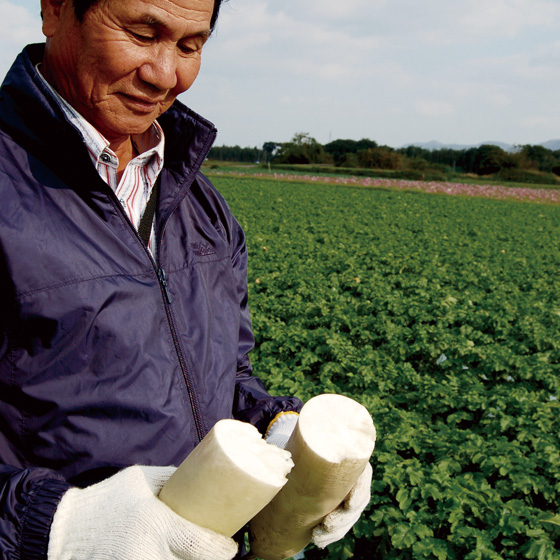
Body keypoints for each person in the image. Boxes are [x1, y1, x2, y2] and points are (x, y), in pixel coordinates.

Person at [0, 0, 372, 558]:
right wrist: (57, 526)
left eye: (189, 45)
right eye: (142, 33)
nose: (165, 74)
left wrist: (280, 433)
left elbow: (224, 373)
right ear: (54, 11)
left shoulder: (200, 204)